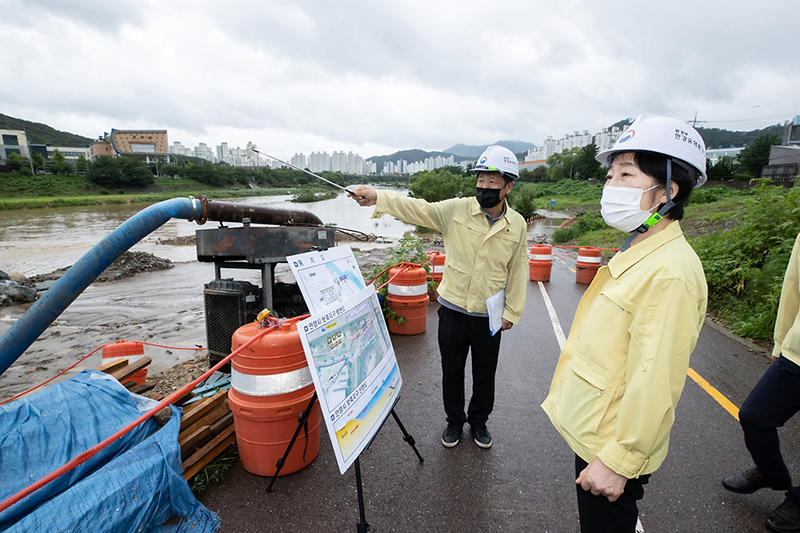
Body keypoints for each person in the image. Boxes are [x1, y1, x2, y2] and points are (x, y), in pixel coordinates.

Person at [541, 114, 709, 533]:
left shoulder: (670, 271)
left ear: (666, 191)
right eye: (610, 174)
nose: (610, 185)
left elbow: (656, 378)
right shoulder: (641, 246)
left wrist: (619, 462)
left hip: (612, 447)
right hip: (599, 432)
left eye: (626, 174)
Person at [349, 145, 528, 449]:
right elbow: (419, 208)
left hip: (489, 315)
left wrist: (513, 310)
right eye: (480, 181)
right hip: (453, 310)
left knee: (485, 374)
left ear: (508, 186)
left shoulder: (517, 224)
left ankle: (479, 422)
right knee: (452, 372)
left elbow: (518, 266)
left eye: (492, 182)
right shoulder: (457, 209)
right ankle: (454, 422)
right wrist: (379, 197)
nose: (483, 187)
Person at [722, 232, 800, 533]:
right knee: (755, 415)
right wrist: (781, 343)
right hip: (796, 354)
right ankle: (771, 473)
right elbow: (793, 285)